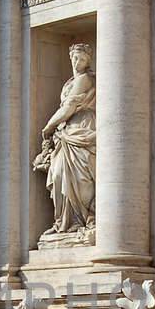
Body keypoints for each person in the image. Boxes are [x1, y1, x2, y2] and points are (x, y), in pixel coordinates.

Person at [33, 43, 96, 237]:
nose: (78, 62)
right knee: (59, 174)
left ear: (88, 61)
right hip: (67, 132)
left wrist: (49, 126)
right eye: (75, 58)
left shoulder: (85, 79)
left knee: (81, 177)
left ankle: (84, 219)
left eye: (82, 59)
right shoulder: (69, 82)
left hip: (81, 128)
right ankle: (64, 221)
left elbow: (68, 107)